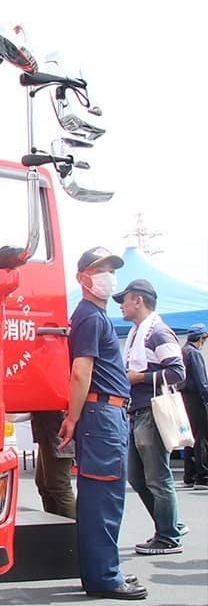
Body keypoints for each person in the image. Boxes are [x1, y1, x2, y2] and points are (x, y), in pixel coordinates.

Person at [58, 247, 147, 600]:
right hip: (101, 414)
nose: (109, 276)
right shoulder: (91, 317)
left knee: (103, 498)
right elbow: (81, 371)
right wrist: (73, 417)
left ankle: (103, 572)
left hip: (104, 413)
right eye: (101, 269)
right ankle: (104, 577)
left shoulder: (93, 315)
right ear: (83, 278)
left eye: (111, 269)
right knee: (103, 500)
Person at [115, 278, 187, 555]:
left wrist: (140, 378)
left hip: (151, 411)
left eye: (124, 300)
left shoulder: (157, 332)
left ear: (139, 300)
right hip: (139, 412)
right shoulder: (139, 333)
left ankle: (168, 535)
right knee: (138, 477)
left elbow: (178, 372)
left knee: (157, 478)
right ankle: (168, 525)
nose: (121, 305)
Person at [30, 410, 76, 519]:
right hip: (49, 426)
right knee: (45, 485)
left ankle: (70, 526)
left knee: (59, 486)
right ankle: (54, 523)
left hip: (56, 427)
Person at [180, 322, 208, 490]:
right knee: (201, 436)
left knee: (189, 437)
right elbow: (201, 381)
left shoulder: (182, 351)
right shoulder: (194, 353)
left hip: (184, 398)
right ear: (201, 338)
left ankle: (189, 475)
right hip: (196, 398)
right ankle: (202, 476)